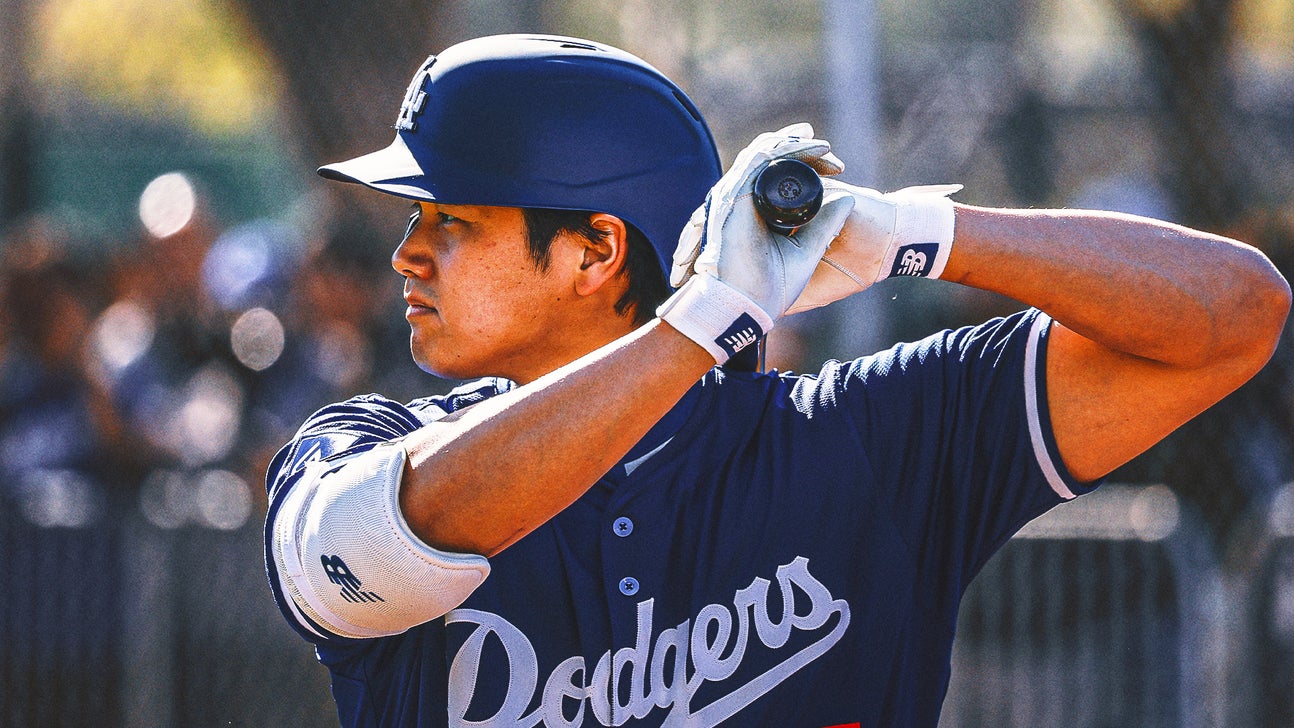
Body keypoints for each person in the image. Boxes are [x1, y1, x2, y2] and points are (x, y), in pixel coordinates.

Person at [263, 34, 1289, 727]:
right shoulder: (363, 440)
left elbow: (1235, 315)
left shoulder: (859, 434)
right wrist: (697, 327)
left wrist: (913, 233)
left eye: (450, 219)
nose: (405, 254)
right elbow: (372, 544)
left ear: (593, 253)